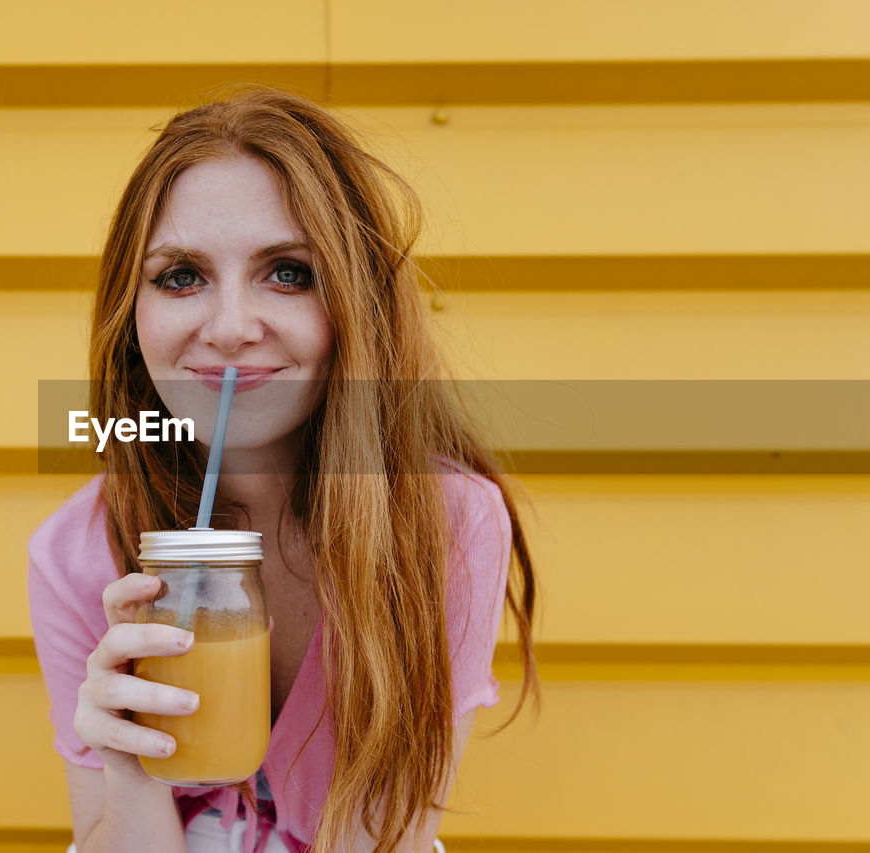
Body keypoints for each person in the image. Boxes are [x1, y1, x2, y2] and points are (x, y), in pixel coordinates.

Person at [28, 84, 540, 853]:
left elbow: (384, 838)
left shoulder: (444, 525)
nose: (231, 328)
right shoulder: (77, 552)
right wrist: (128, 772)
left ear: (356, 308)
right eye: (180, 275)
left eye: (289, 273)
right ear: (130, 316)